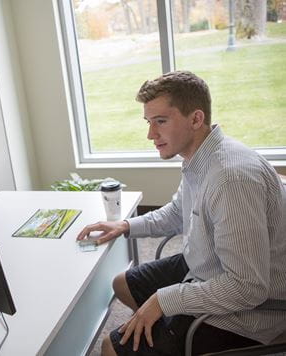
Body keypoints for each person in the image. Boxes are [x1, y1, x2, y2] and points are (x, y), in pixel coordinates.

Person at [77, 71, 286, 355]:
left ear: (196, 119)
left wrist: (166, 301)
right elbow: (178, 212)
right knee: (122, 283)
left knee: (109, 348)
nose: (151, 134)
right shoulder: (198, 156)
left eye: (161, 121)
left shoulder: (230, 179)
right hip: (208, 265)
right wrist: (125, 225)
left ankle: (176, 333)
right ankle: (166, 333)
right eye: (149, 122)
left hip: (256, 312)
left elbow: (247, 288)